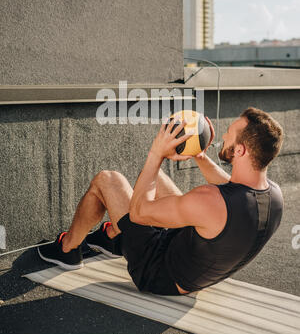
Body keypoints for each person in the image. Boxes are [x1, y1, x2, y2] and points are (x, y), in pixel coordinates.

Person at [38, 107, 284, 296]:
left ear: (240, 151)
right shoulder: (273, 195)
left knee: (108, 180)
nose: (222, 135)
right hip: (195, 266)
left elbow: (138, 213)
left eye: (229, 134)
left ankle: (68, 250)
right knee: (159, 180)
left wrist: (156, 153)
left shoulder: (209, 201)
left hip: (158, 273)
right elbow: (229, 186)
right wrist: (198, 155)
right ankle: (112, 235)